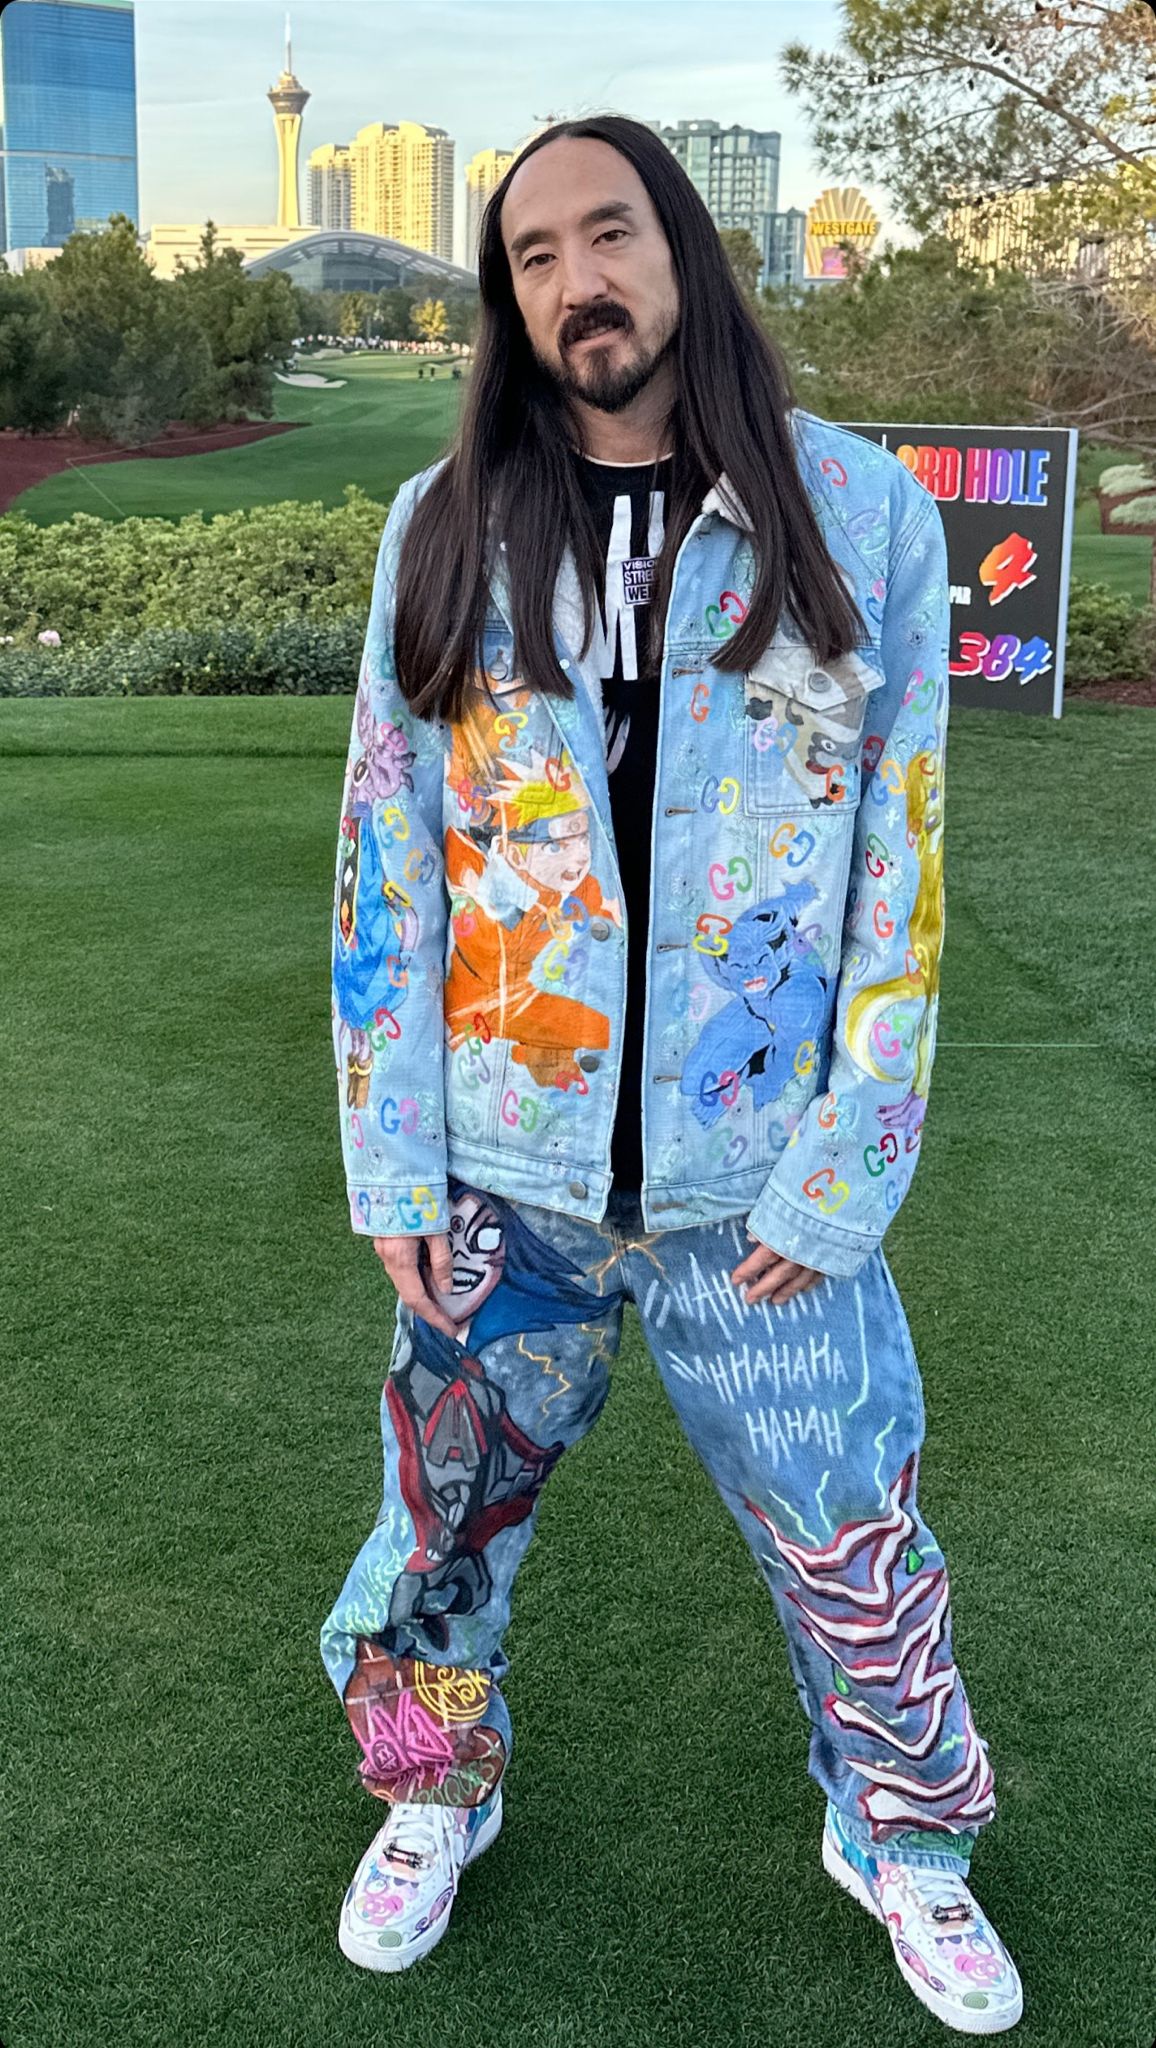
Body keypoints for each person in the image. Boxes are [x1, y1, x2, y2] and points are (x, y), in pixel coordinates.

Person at [322, 114, 1022, 2035]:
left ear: (683, 250)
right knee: (441, 1528)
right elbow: (389, 860)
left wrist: (848, 1165)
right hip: (506, 1173)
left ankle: (901, 1832)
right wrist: (395, 1166)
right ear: (509, 297)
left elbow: (900, 865)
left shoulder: (856, 514)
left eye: (609, 233)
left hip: (760, 1186)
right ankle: (433, 1787)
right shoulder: (446, 525)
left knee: (852, 1536)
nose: (579, 282)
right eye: (534, 256)